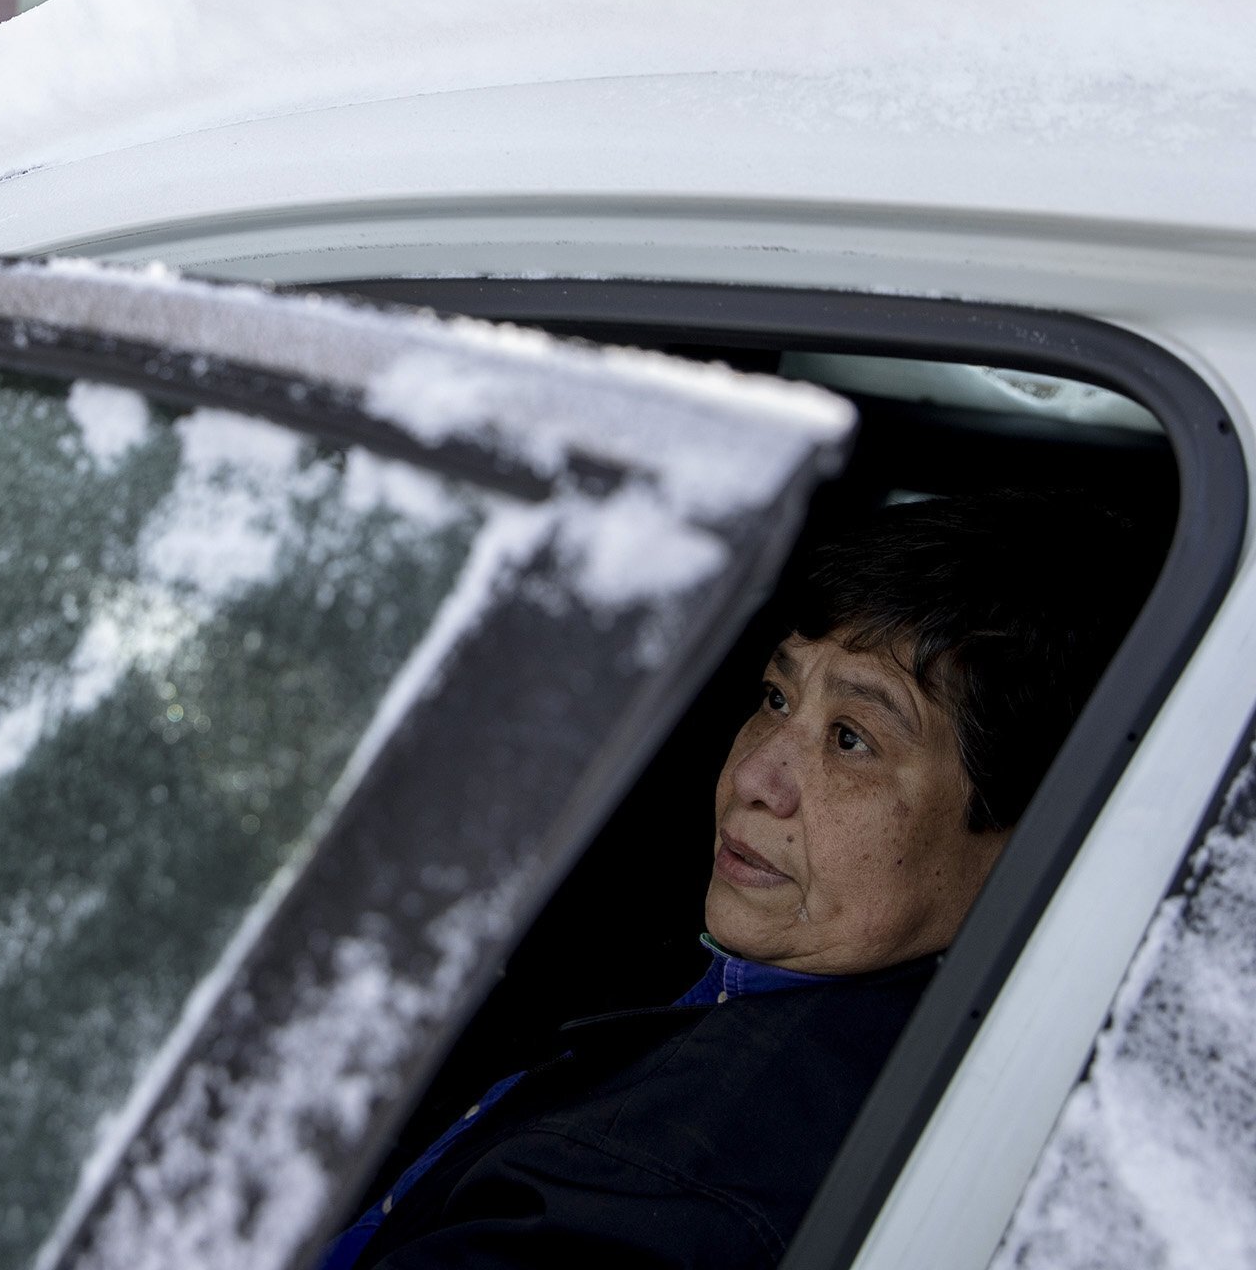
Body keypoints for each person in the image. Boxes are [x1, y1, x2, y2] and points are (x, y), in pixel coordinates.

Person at [321, 491, 1160, 1270]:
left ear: (1029, 838)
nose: (757, 774)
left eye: (852, 741)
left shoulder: (661, 1185)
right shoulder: (826, 1011)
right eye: (775, 697)